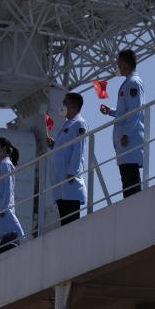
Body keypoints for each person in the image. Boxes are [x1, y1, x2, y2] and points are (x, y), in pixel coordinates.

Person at [100, 49, 145, 197]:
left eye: (119, 62)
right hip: (125, 142)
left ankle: (135, 207)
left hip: (129, 140)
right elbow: (125, 111)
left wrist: (126, 133)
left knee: (130, 178)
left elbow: (134, 111)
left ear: (125, 63)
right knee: (126, 178)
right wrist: (111, 111)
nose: (118, 66)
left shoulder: (132, 83)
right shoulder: (128, 83)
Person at [46, 92, 88, 225]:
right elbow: (65, 150)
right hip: (61, 178)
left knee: (71, 219)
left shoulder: (79, 123)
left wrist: (73, 171)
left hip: (69, 178)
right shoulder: (67, 124)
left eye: (65, 103)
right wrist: (53, 145)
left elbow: (79, 148)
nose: (62, 106)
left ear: (74, 106)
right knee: (64, 218)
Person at [0, 137, 25, 254]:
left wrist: (3, 208)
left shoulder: (6, 165)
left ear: (4, 149)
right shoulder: (1, 165)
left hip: (2, 210)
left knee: (12, 232)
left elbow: (8, 187)